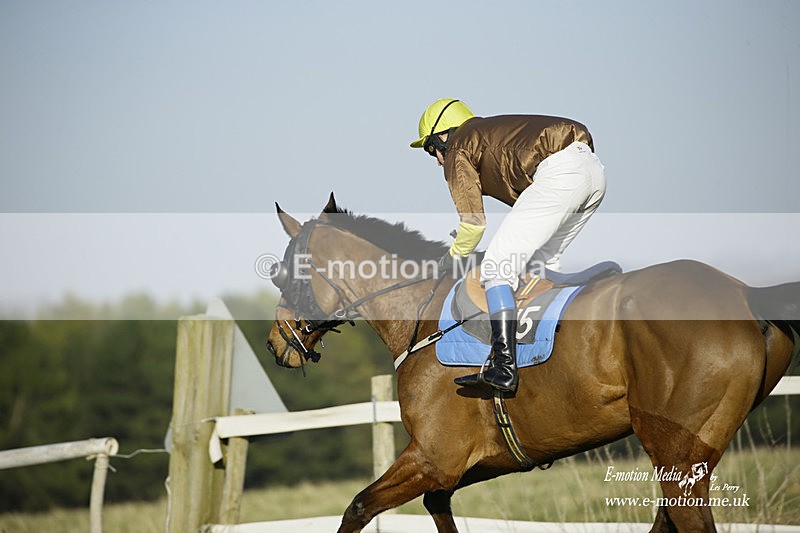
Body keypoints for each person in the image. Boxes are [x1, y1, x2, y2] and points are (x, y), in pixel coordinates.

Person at [411, 98, 606, 393]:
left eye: (432, 151)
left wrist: (450, 258)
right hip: (593, 171)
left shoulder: (458, 148)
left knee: (496, 270)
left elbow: (473, 224)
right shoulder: (488, 133)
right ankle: (546, 355)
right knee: (541, 265)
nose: (438, 160)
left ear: (443, 136)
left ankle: (503, 366)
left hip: (560, 172)